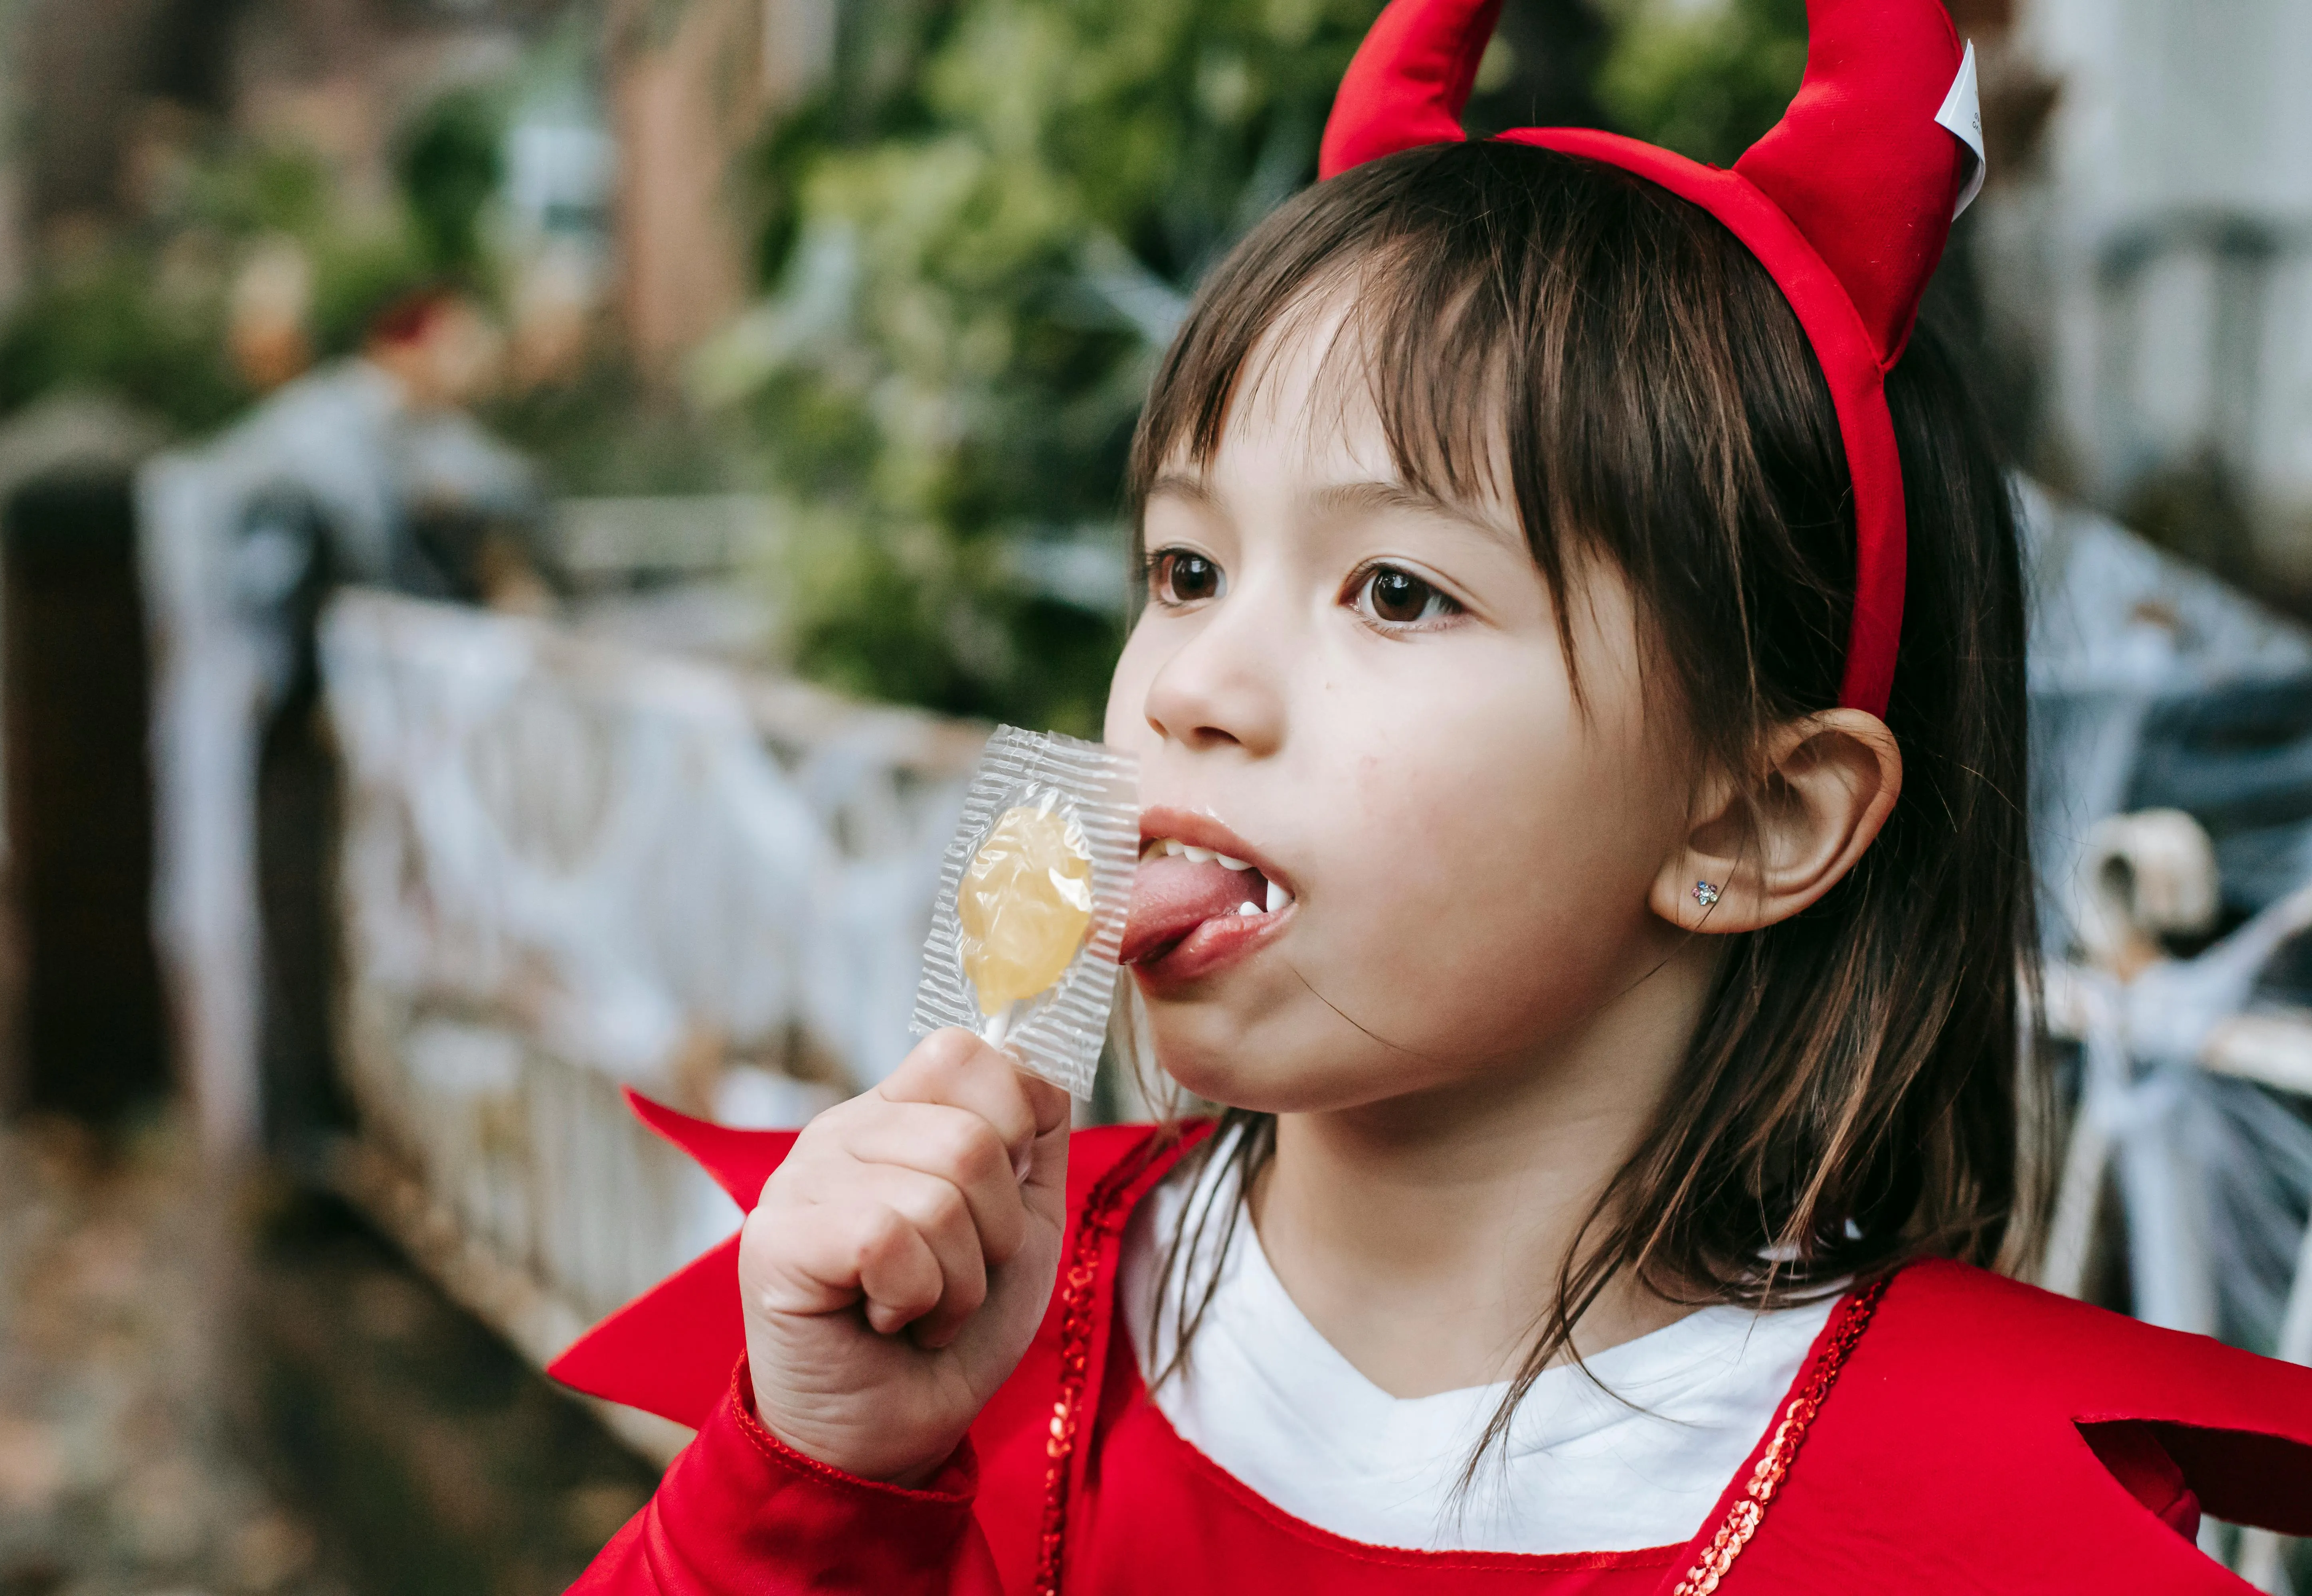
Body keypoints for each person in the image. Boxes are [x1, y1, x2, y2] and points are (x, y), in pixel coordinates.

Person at [550, 1, 2312, 1590]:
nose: (1194, 686)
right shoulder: (937, 1340)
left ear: (1752, 824)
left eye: (1398, 590)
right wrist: (813, 1489)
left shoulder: (1974, 1535)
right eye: (1183, 567)